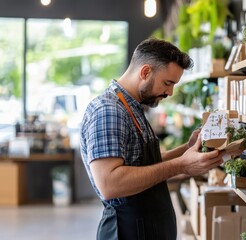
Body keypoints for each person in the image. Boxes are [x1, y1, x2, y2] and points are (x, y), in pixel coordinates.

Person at [80, 38, 227, 240]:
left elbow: (144, 165)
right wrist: (181, 166)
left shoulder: (132, 107)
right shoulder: (109, 111)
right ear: (145, 72)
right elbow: (110, 184)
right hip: (127, 231)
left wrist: (188, 148)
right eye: (167, 83)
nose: (170, 92)